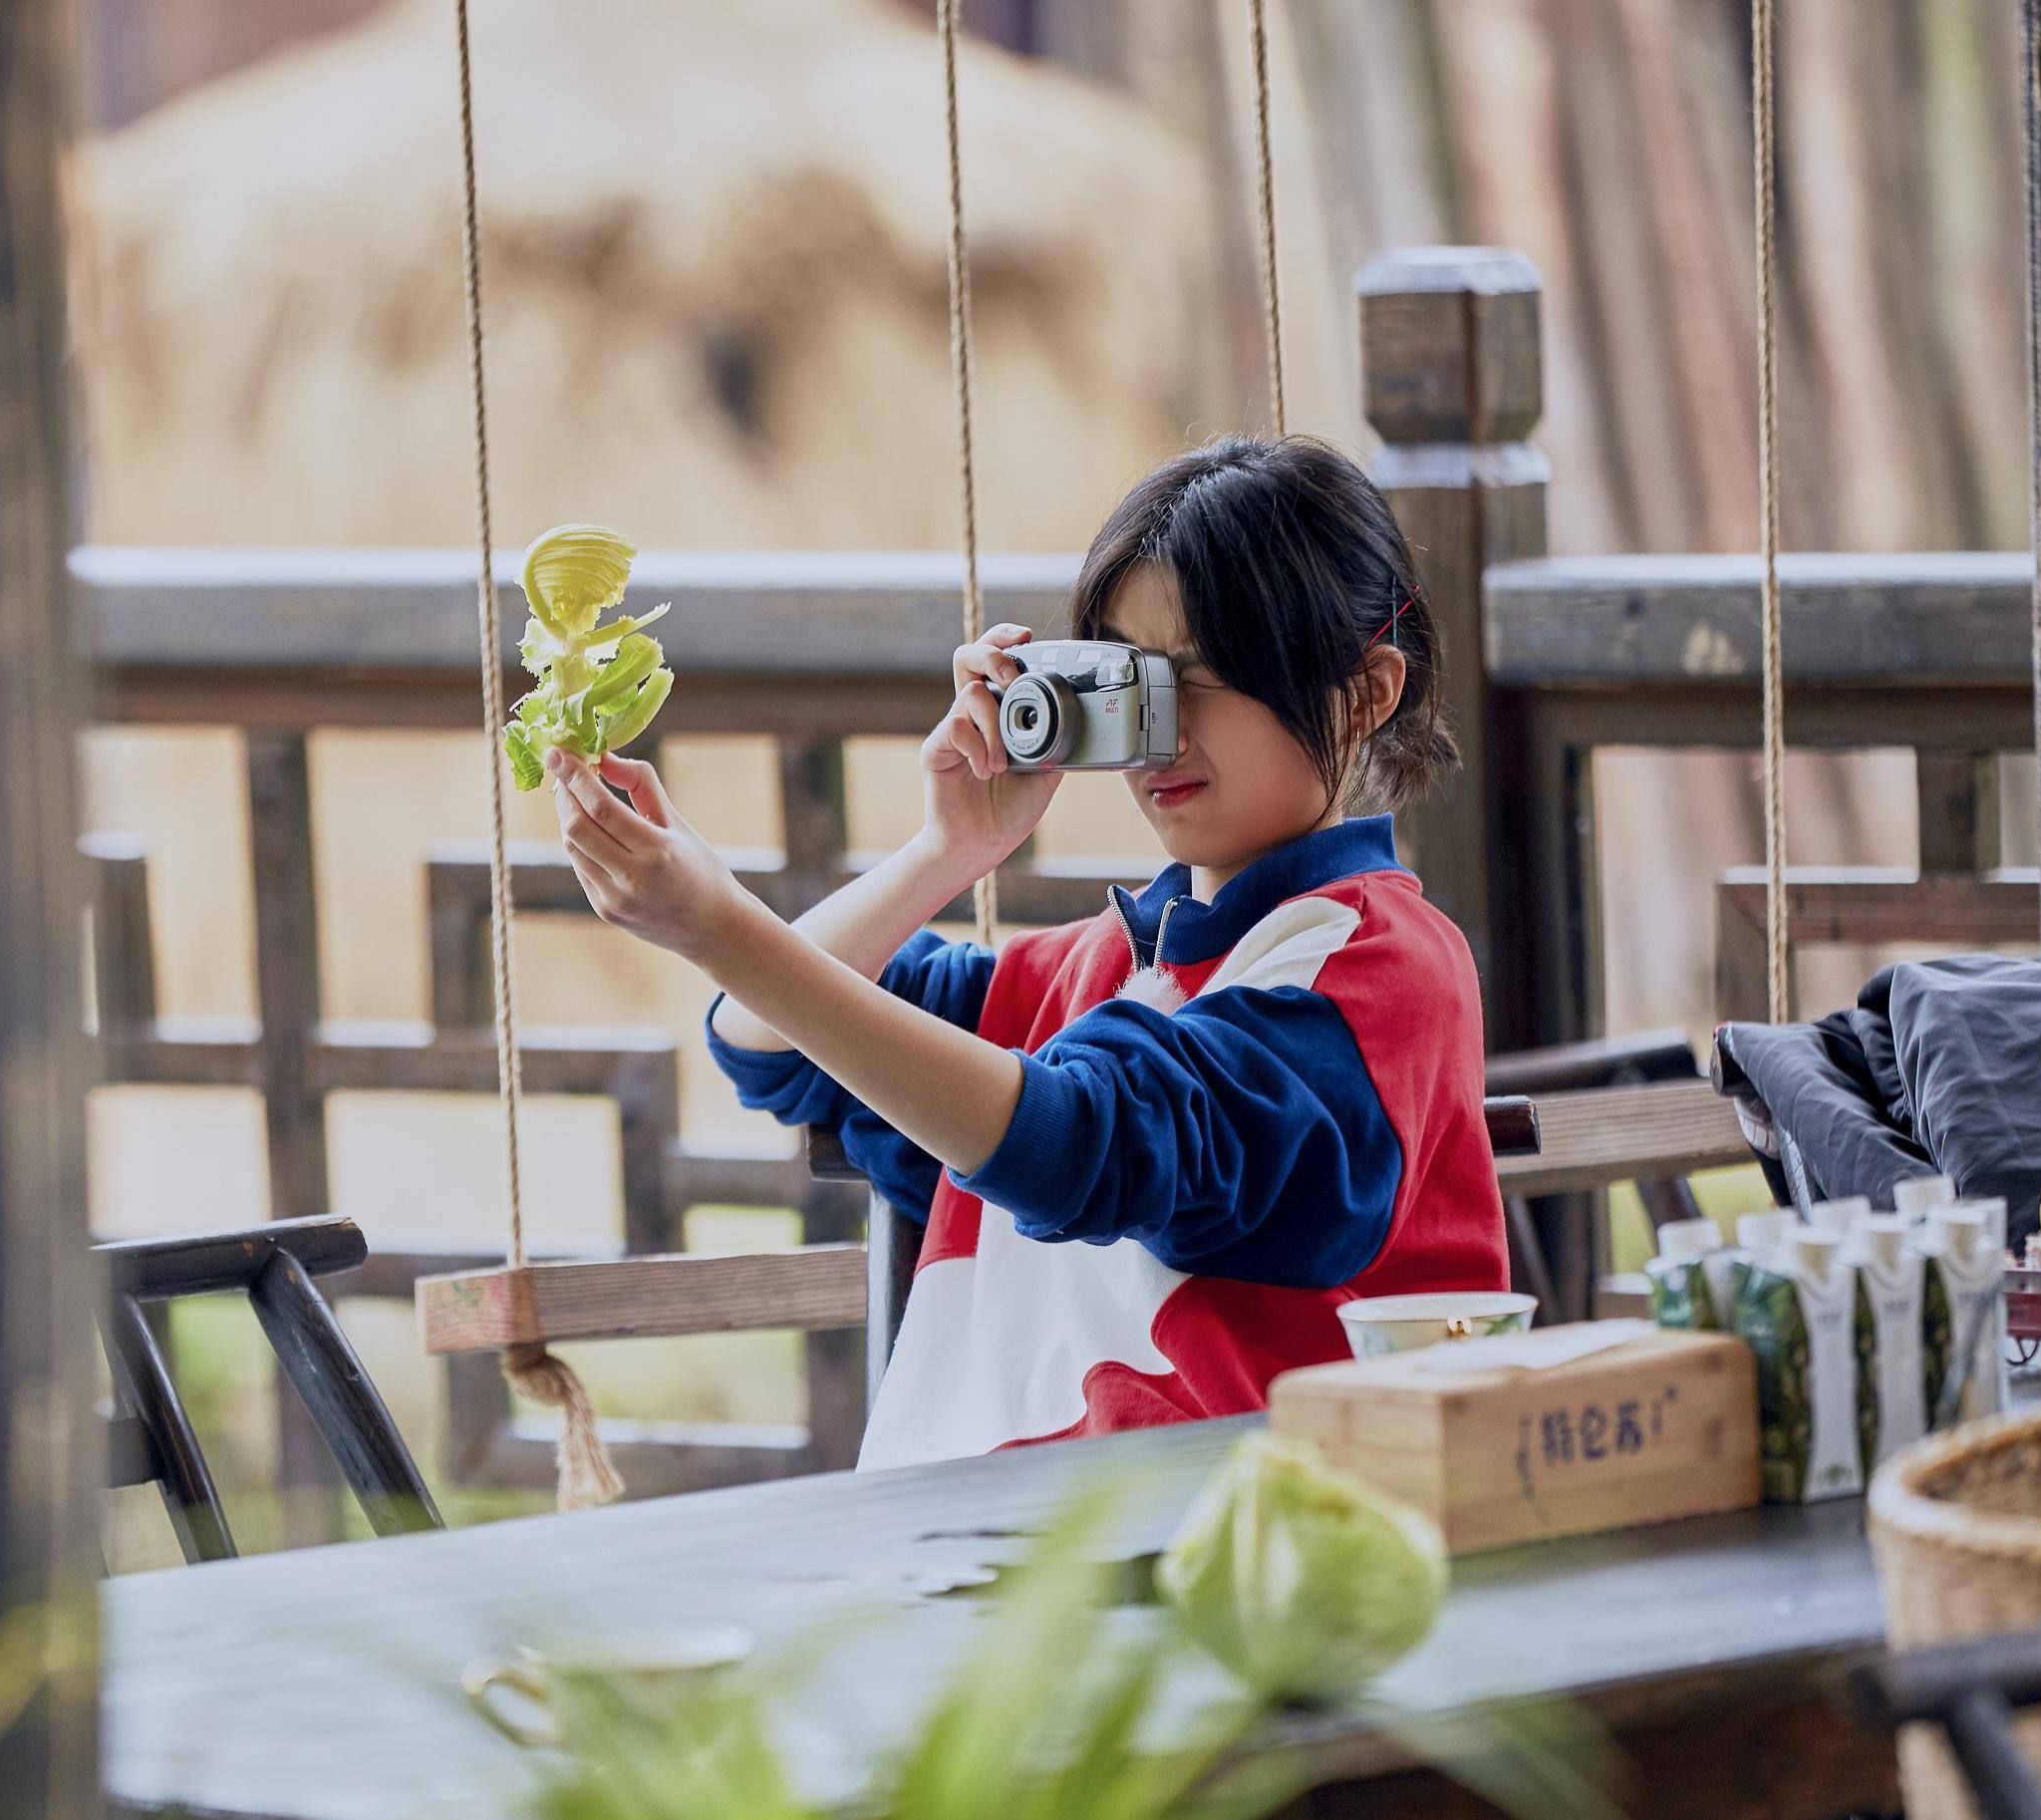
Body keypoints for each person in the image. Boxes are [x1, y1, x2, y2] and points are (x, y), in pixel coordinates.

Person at [539, 436, 1510, 1470]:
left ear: (1367, 692)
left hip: (1228, 1558)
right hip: (988, 1561)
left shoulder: (1385, 963)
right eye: (1134, 682)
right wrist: (946, 848)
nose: (1161, 734)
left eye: (1206, 676)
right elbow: (773, 1044)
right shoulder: (1090, 968)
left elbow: (1083, 1146)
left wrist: (720, 926)